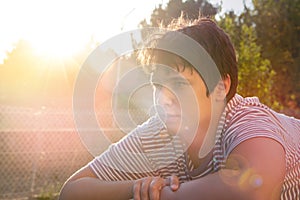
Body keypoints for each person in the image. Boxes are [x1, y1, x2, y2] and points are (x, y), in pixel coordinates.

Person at [59, 17, 300, 200]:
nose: (163, 98)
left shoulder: (247, 119)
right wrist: (135, 187)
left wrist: (159, 195)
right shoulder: (160, 130)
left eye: (177, 84)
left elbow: (253, 190)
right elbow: (72, 190)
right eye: (157, 85)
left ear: (220, 87)